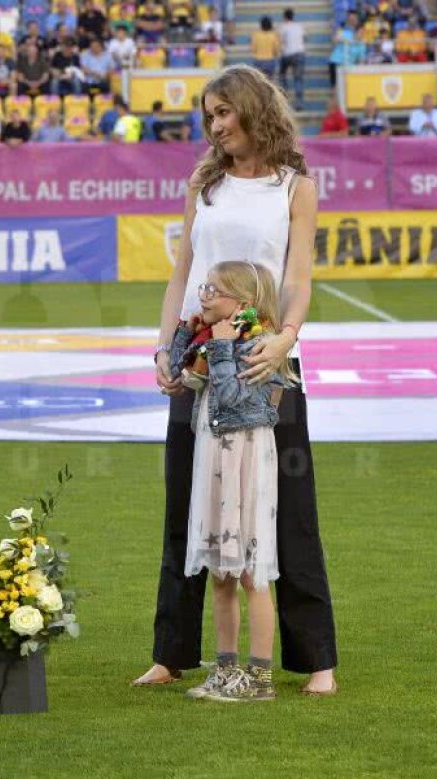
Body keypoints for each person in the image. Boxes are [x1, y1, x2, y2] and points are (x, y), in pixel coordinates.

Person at [137, 64, 337, 697]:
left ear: (254, 110)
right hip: (201, 363)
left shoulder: (295, 187)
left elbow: (299, 277)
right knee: (184, 508)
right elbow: (183, 273)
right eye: (209, 115)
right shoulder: (205, 184)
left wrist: (285, 336)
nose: (215, 125)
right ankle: (172, 654)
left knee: (291, 518)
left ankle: (317, 663)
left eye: (224, 112)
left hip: (267, 370)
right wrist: (167, 347)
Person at [167, 260, 292, 702]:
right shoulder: (214, 338)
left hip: (245, 463)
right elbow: (184, 375)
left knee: (250, 574)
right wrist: (189, 330)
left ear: (243, 304)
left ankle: (258, 678)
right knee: (221, 572)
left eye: (214, 291)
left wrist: (220, 351)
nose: (204, 294)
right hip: (214, 460)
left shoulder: (262, 344)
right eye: (204, 287)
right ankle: (226, 669)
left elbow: (235, 398)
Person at [279, 9, 306, 105]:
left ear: (285, 17)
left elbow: (281, 41)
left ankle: (284, 96)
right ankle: (299, 102)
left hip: (288, 54)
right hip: (299, 53)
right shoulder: (299, 26)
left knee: (282, 74)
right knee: (298, 79)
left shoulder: (283, 27)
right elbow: (304, 38)